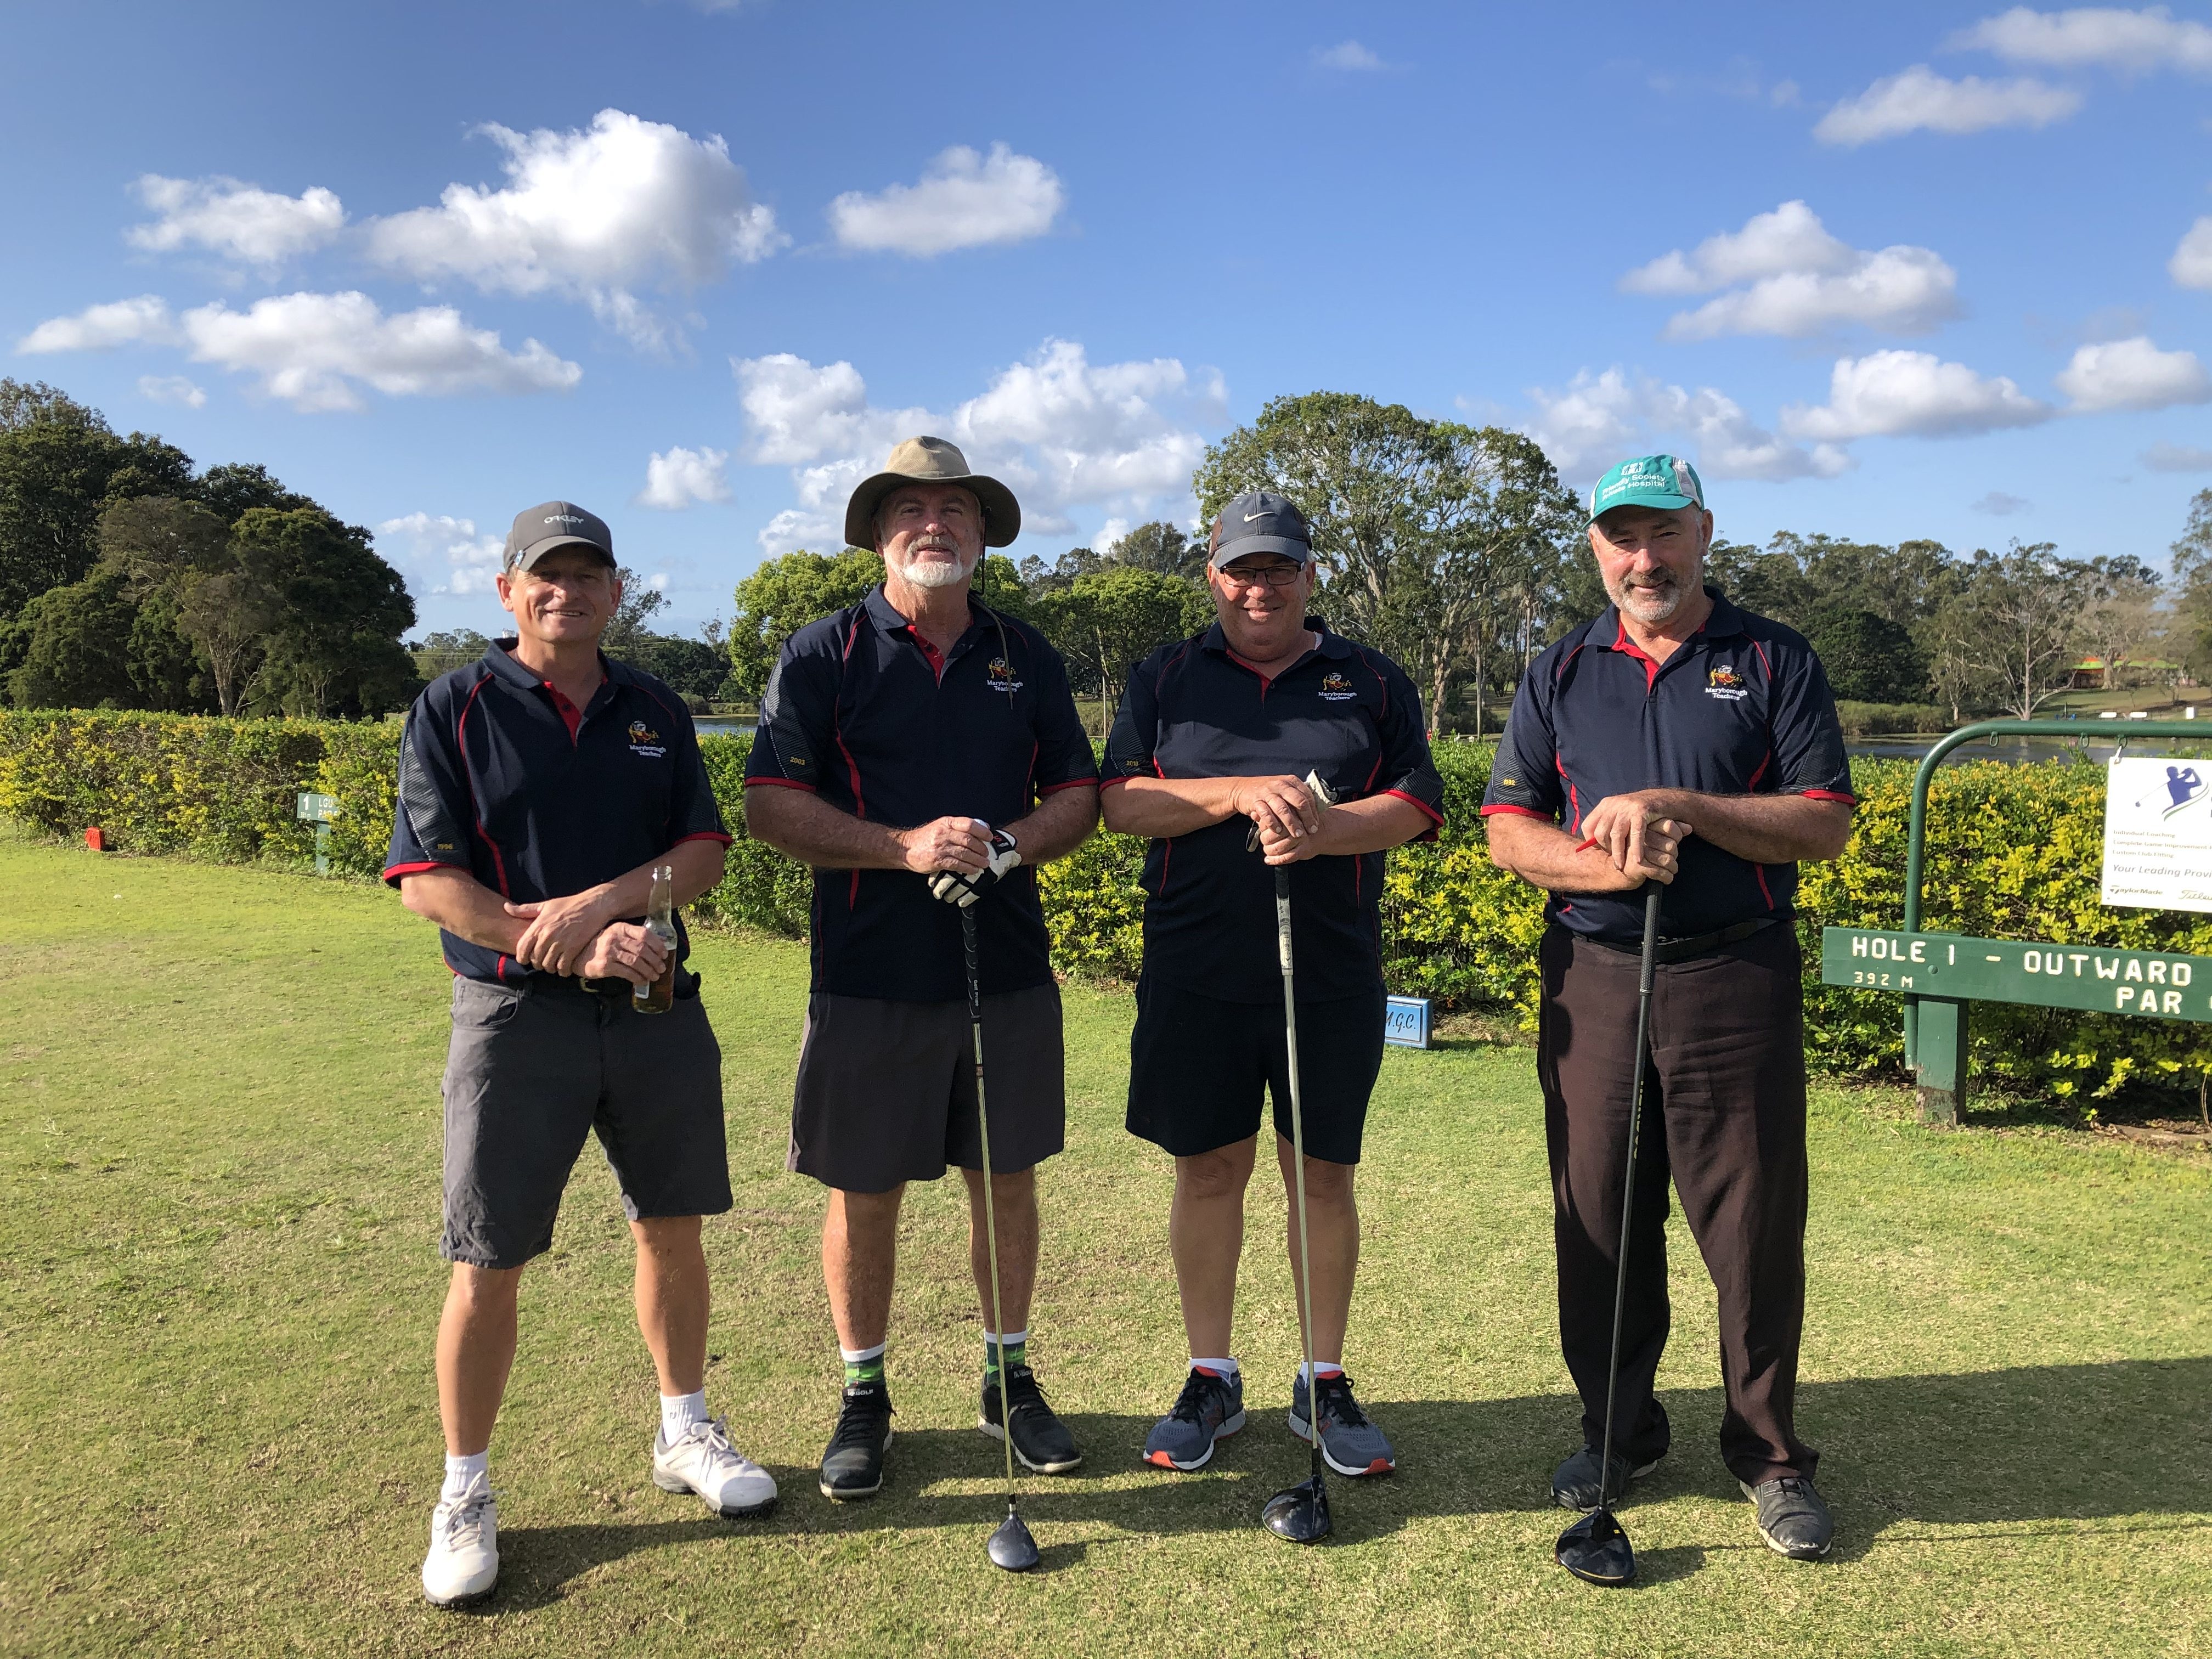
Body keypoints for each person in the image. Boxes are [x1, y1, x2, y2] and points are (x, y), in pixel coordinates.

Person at [385, 501, 774, 1608]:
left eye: (587, 574)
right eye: (544, 575)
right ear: (507, 591)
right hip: (514, 1019)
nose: (567, 592)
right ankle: (464, 1492)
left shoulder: (655, 708)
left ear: (617, 590)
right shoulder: (454, 706)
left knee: (672, 1228)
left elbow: (702, 851)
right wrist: (553, 941)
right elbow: (429, 882)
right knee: (488, 1256)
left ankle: (684, 1431)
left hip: (654, 1007)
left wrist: (603, 910)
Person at [1481, 454, 1856, 1561]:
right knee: (1597, 1213)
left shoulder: (1774, 657)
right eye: (1622, 538)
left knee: (1751, 1225)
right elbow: (1510, 829)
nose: (1644, 559)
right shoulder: (1559, 669)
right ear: (1597, 548)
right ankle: (1617, 1434)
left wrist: (1675, 806)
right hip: (1593, 977)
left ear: (1704, 533)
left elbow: (1824, 821)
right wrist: (1604, 864)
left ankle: (1769, 1454)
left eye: (1664, 534)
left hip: (1734, 977)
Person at [743, 437, 1101, 1502]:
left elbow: (1077, 796)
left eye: (955, 509)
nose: (933, 524)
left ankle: (1009, 1378)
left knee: (1007, 1182)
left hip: (1008, 966)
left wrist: (1007, 847)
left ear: (984, 531)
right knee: (865, 1192)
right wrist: (903, 848)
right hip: (869, 973)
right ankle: (864, 1395)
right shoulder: (823, 652)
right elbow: (771, 805)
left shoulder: (1025, 654)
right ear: (878, 534)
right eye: (910, 509)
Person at [1099, 490, 1444, 1479]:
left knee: (1321, 1175)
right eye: (1243, 570)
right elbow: (1119, 801)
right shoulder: (1166, 676)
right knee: (1209, 1171)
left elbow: (1418, 802)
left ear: (1308, 574)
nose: (1261, 588)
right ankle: (1211, 1374)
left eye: (1279, 569)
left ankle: (1322, 1379)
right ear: (1213, 577)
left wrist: (1327, 828)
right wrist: (1238, 794)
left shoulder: (1368, 678)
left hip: (1328, 972)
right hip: (1195, 970)